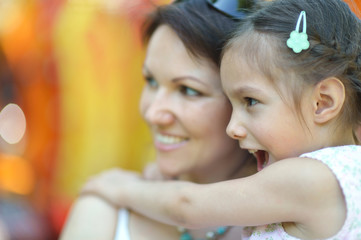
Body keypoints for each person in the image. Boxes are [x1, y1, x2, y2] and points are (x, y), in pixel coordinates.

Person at [80, 0, 361, 239]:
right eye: (150, 81)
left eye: (250, 101)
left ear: (323, 103)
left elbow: (186, 205)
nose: (233, 127)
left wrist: (123, 187)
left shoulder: (309, 179)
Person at [60, 0, 257, 239]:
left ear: (248, 101)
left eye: (188, 90)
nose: (153, 113)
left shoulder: (294, 215)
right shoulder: (106, 207)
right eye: (151, 81)